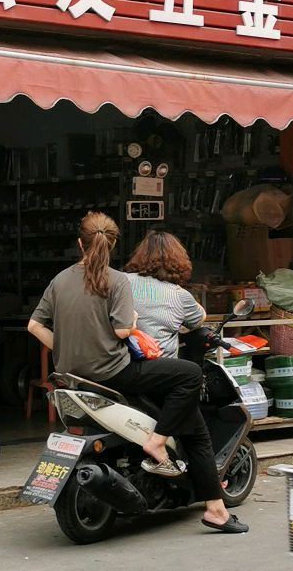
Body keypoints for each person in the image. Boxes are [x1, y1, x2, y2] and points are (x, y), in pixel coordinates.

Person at [27, 211, 244, 533]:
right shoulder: (115, 280)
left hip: (69, 373)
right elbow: (121, 332)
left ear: (79, 242)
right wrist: (129, 324)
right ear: (113, 245)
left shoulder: (60, 280)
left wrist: (62, 348)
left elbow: (33, 325)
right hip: (113, 372)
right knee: (189, 379)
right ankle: (171, 458)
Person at [125, 230, 206, 357]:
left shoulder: (121, 280)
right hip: (162, 366)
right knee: (194, 372)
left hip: (122, 363)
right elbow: (199, 319)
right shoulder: (179, 294)